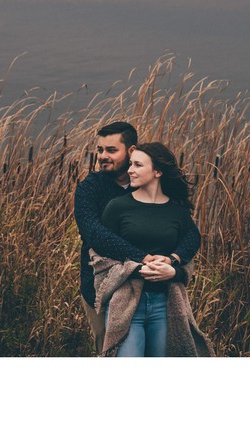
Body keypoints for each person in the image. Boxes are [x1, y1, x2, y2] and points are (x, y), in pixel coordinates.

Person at [73, 122, 200, 355]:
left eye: (111, 150)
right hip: (102, 289)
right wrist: (144, 259)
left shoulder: (153, 188)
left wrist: (173, 262)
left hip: (158, 293)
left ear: (131, 151)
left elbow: (190, 233)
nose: (102, 156)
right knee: (110, 349)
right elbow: (94, 234)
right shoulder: (91, 189)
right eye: (100, 150)